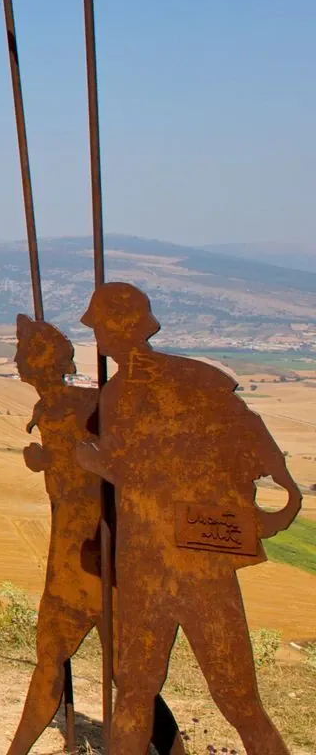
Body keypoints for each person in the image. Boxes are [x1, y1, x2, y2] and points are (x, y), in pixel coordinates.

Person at [74, 282, 300, 755]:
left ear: (117, 328)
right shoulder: (197, 377)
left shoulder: (121, 394)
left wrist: (94, 462)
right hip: (192, 556)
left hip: (160, 561)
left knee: (143, 691)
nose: (96, 337)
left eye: (99, 327)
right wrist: (285, 498)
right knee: (229, 699)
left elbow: (141, 472)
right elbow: (252, 436)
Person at [4, 314, 178, 755]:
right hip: (67, 556)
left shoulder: (91, 404)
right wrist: (47, 461)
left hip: (102, 556)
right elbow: (71, 466)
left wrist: (74, 461)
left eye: (23, 353)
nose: (17, 361)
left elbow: (115, 465)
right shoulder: (49, 409)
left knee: (125, 674)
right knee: (52, 660)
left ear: (41, 361)